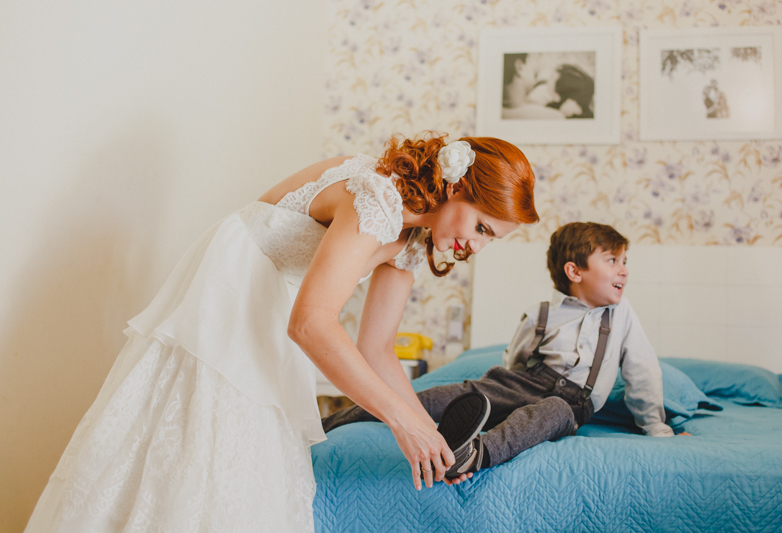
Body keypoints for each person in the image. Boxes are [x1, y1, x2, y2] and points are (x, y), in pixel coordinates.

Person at [24, 132, 539, 532]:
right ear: (455, 187)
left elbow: (378, 349)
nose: (476, 246)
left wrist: (428, 433)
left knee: (252, 468)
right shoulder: (378, 199)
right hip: (234, 288)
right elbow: (312, 323)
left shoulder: (411, 241)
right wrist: (401, 424)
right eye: (481, 228)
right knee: (193, 442)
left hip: (279, 302)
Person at [323, 222, 680, 483]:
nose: (625, 270)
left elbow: (643, 369)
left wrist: (656, 427)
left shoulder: (621, 315)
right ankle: (331, 423)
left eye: (624, 260)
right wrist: (500, 389)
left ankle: (472, 455)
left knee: (550, 412)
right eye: (614, 261)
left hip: (572, 402)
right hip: (521, 383)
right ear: (575, 271)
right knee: (443, 396)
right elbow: (516, 360)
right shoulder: (543, 313)